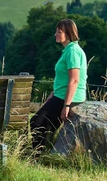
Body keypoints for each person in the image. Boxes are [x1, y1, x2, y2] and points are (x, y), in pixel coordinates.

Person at [30, 19, 88, 157]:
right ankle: (43, 154)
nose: (55, 34)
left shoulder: (72, 51)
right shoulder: (69, 50)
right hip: (61, 95)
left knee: (37, 123)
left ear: (68, 34)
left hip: (68, 97)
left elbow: (74, 80)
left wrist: (66, 105)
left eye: (59, 31)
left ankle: (37, 157)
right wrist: (53, 95)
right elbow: (64, 79)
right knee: (43, 124)